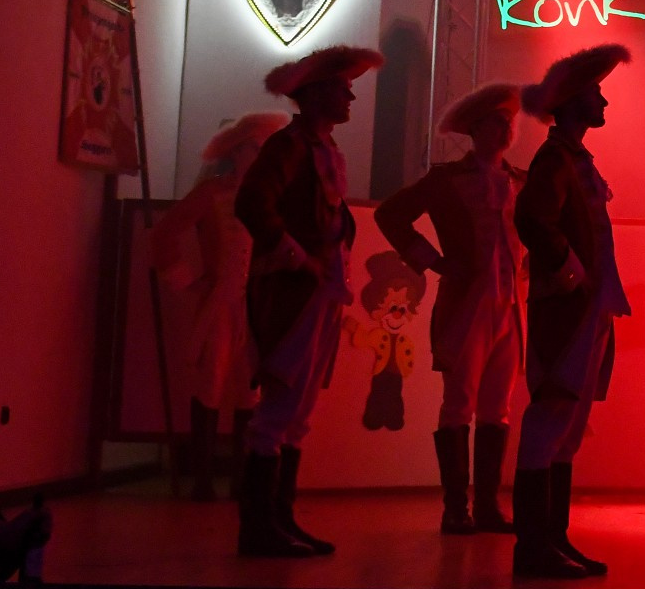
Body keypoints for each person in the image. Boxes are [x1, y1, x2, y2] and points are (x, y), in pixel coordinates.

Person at [233, 45, 383, 558]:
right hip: (294, 293)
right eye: (343, 89)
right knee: (278, 409)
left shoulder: (320, 148)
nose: (350, 98)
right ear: (317, 94)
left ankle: (280, 519)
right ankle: (259, 527)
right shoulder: (289, 147)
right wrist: (298, 257)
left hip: (319, 293)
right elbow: (252, 203)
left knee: (297, 413)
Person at [375, 83, 528, 536]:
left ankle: (487, 505)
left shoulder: (520, 181)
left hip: (510, 305)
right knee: (459, 402)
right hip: (466, 304)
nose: (504, 129)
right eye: (495, 122)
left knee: (498, 406)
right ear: (474, 129)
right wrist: (433, 261)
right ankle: (456, 507)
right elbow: (390, 215)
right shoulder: (446, 180)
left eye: (508, 122)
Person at [512, 45, 632, 579]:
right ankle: (534, 545)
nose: (602, 100)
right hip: (569, 308)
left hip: (587, 307)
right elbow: (533, 219)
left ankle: (552, 538)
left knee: (569, 425)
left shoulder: (573, 158)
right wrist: (568, 272)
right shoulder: (555, 160)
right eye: (595, 91)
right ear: (572, 100)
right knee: (551, 418)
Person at [152, 112, 287, 502]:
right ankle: (202, 480)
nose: (259, 157)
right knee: (210, 382)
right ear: (236, 151)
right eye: (254, 149)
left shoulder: (274, 198)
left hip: (257, 305)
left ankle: (242, 479)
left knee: (250, 387)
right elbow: (165, 232)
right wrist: (184, 279)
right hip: (219, 303)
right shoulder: (212, 193)